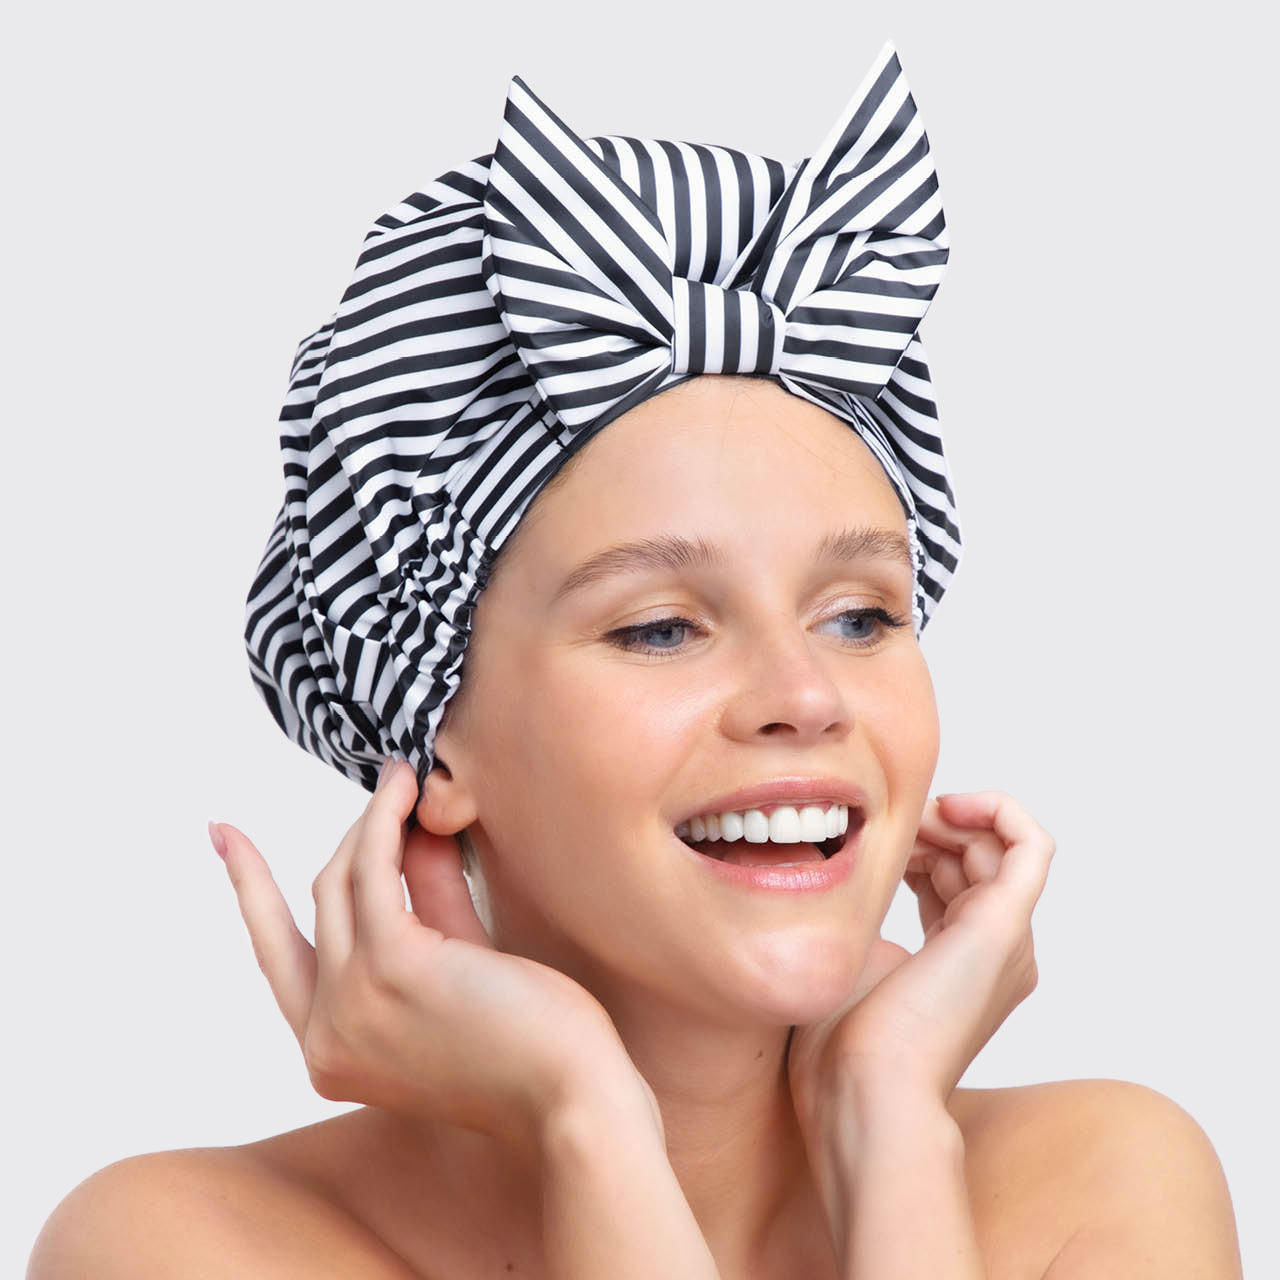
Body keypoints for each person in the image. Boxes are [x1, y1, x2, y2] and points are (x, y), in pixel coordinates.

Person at [28, 45, 1242, 1280]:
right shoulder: (179, 1245)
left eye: (858, 616)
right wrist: (587, 1118)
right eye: (660, 627)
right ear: (433, 740)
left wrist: (890, 1125)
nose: (805, 696)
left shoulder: (1105, 1180)